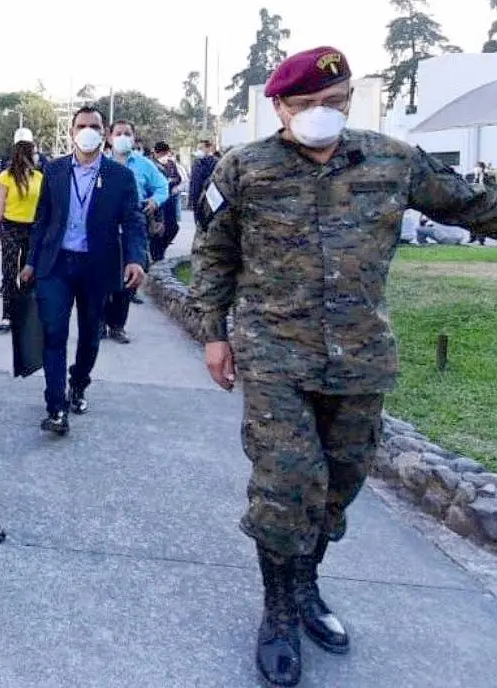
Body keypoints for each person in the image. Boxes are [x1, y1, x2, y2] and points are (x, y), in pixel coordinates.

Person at [189, 46, 497, 688]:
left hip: (360, 355)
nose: (322, 115)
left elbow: (472, 206)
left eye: (335, 102)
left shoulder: (392, 161)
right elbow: (214, 253)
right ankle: (276, 613)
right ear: (279, 107)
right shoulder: (244, 167)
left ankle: (307, 587)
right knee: (287, 483)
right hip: (276, 353)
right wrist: (213, 334)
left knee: (339, 486)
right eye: (306, 105)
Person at [20, 105, 147, 435]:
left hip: (97, 267)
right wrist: (31, 261)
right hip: (56, 265)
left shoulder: (121, 177)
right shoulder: (56, 170)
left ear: (103, 134)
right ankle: (55, 407)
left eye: (94, 125)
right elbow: (42, 220)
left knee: (91, 335)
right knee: (54, 333)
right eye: (81, 125)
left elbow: (133, 220)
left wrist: (135, 258)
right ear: (72, 131)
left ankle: (78, 385)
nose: (87, 130)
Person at [100, 120, 168, 343]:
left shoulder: (144, 165)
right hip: (104, 224)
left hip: (133, 221)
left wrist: (155, 202)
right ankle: (99, 324)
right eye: (118, 133)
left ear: (133, 137)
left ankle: (117, 325)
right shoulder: (100, 163)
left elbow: (162, 186)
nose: (122, 137)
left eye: (127, 133)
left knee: (128, 276)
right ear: (109, 138)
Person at [0, 127, 44, 333]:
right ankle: (7, 314)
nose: (38, 156)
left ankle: (25, 316)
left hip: (33, 229)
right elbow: (0, 206)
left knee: (29, 273)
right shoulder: (5, 177)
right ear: (29, 154)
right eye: (35, 152)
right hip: (11, 228)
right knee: (9, 272)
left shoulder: (39, 178)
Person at [150, 141, 183, 261]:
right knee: (158, 231)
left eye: (166, 153)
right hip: (158, 202)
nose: (165, 156)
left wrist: (172, 182)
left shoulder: (170, 164)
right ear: (156, 153)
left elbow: (178, 178)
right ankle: (156, 255)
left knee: (173, 227)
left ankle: (160, 250)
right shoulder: (150, 164)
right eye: (162, 153)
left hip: (170, 199)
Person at [189, 139, 219, 218]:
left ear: (208, 148)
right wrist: (191, 198)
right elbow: (192, 181)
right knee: (198, 220)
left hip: (209, 198)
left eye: (201, 148)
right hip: (196, 197)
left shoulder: (215, 162)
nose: (199, 150)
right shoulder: (196, 162)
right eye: (198, 148)